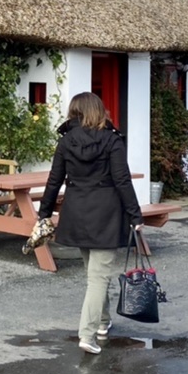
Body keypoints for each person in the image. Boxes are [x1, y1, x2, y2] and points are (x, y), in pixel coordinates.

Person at [37, 92, 143, 355]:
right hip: (106, 212)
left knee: (95, 274)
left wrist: (44, 214)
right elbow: (122, 180)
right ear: (98, 111)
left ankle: (103, 323)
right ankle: (87, 334)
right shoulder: (112, 140)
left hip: (76, 211)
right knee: (98, 277)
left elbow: (54, 180)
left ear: (75, 112)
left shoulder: (66, 141)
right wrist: (135, 215)